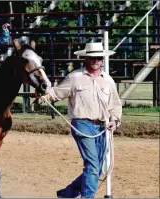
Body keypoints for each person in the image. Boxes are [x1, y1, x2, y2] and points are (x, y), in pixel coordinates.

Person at [39, 42, 122, 198]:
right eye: (92, 58)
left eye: (98, 58)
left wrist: (115, 120)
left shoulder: (108, 80)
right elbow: (57, 93)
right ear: (85, 59)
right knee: (92, 165)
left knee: (98, 169)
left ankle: (68, 193)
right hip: (82, 125)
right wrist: (44, 98)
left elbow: (115, 105)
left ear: (102, 59)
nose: (96, 61)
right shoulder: (75, 77)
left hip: (102, 127)